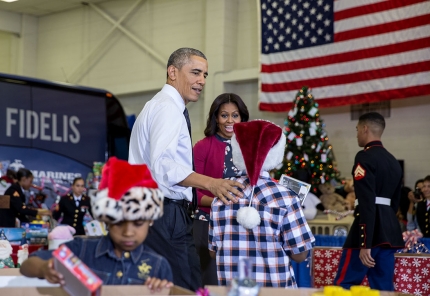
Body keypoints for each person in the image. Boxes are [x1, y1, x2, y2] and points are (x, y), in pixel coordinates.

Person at [128, 47, 244, 291]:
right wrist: (211, 183)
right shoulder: (168, 108)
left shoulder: (161, 105)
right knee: (187, 286)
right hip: (165, 212)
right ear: (173, 72)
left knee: (165, 286)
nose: (201, 81)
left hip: (155, 211)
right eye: (195, 72)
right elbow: (163, 165)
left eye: (204, 75)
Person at [20, 157, 173, 291]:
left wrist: (158, 289)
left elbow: (168, 290)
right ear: (106, 220)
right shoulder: (82, 249)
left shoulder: (158, 265)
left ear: (150, 221)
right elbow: (27, 265)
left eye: (138, 223)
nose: (128, 232)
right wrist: (44, 268)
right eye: (119, 223)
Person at [209, 120, 315, 287]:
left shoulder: (221, 196)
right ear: (276, 153)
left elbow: (213, 252)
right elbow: (299, 255)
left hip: (234, 291)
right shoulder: (286, 198)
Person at [334, 112, 404, 291]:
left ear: (365, 129)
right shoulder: (393, 161)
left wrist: (366, 243)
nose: (357, 134)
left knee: (344, 285)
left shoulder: (364, 157)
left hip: (367, 233)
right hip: (388, 233)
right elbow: (394, 203)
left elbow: (366, 201)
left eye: (357, 129)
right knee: (383, 288)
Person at [193, 93, 249, 285]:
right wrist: (219, 200)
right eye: (224, 115)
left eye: (235, 115)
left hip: (243, 225)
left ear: (242, 118)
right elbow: (192, 192)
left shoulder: (251, 147)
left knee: (241, 281)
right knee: (211, 281)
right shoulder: (202, 147)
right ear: (216, 118)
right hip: (207, 223)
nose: (230, 120)